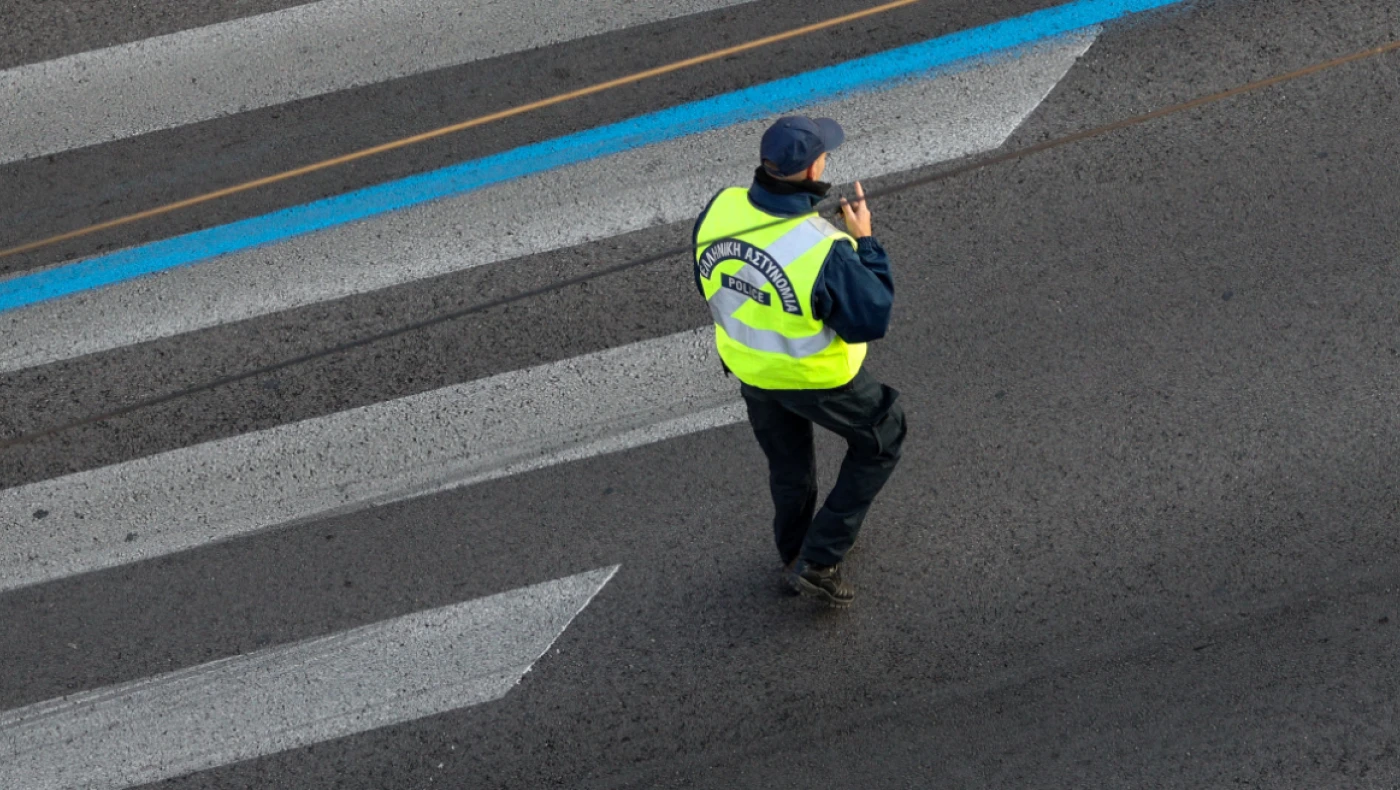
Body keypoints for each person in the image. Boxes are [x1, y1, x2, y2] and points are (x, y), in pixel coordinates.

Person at [692, 115, 907, 607]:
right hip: (816, 377)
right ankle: (821, 557)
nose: (825, 161)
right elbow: (870, 317)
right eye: (823, 156)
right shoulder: (824, 247)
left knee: (789, 468)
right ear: (812, 172)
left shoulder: (720, 208)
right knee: (883, 436)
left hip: (750, 369)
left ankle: (793, 555)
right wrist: (866, 243)